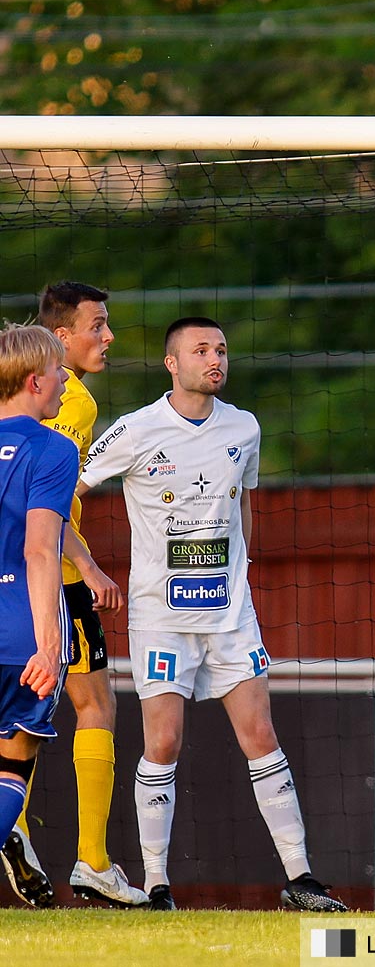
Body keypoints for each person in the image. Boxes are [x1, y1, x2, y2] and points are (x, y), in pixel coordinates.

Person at [76, 316, 347, 913]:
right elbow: (65, 494)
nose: (215, 358)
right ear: (172, 363)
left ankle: (300, 878)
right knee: (164, 742)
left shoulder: (244, 428)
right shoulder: (136, 429)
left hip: (230, 615)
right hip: (160, 616)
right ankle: (156, 886)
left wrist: (241, 575)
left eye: (221, 348)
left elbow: (244, 502)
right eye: (201, 350)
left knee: (261, 735)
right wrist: (86, 567)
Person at [0, 283, 147, 909]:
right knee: (85, 710)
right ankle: (88, 858)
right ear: (45, 367)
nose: (107, 337)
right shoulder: (70, 416)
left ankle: (22, 835)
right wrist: (81, 575)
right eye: (98, 325)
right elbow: (46, 531)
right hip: (34, 604)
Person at [0, 325, 77, 912]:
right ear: (34, 381)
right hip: (19, 635)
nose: (64, 379)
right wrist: (50, 646)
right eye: (58, 370)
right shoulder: (53, 448)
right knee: (13, 764)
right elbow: (38, 548)